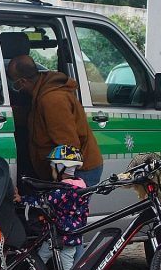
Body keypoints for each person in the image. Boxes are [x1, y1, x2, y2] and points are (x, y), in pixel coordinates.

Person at [7, 54, 104, 185]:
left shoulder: (52, 100)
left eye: (14, 84)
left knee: (67, 206)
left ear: (23, 82)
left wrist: (64, 181)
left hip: (77, 172)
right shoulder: (41, 93)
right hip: (66, 170)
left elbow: (68, 145)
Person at [14, 145, 91, 270]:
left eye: (54, 167)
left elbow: (43, 201)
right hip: (71, 233)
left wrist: (22, 199)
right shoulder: (81, 186)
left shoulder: (62, 190)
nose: (52, 171)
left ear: (62, 167)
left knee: (54, 261)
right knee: (49, 257)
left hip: (61, 234)